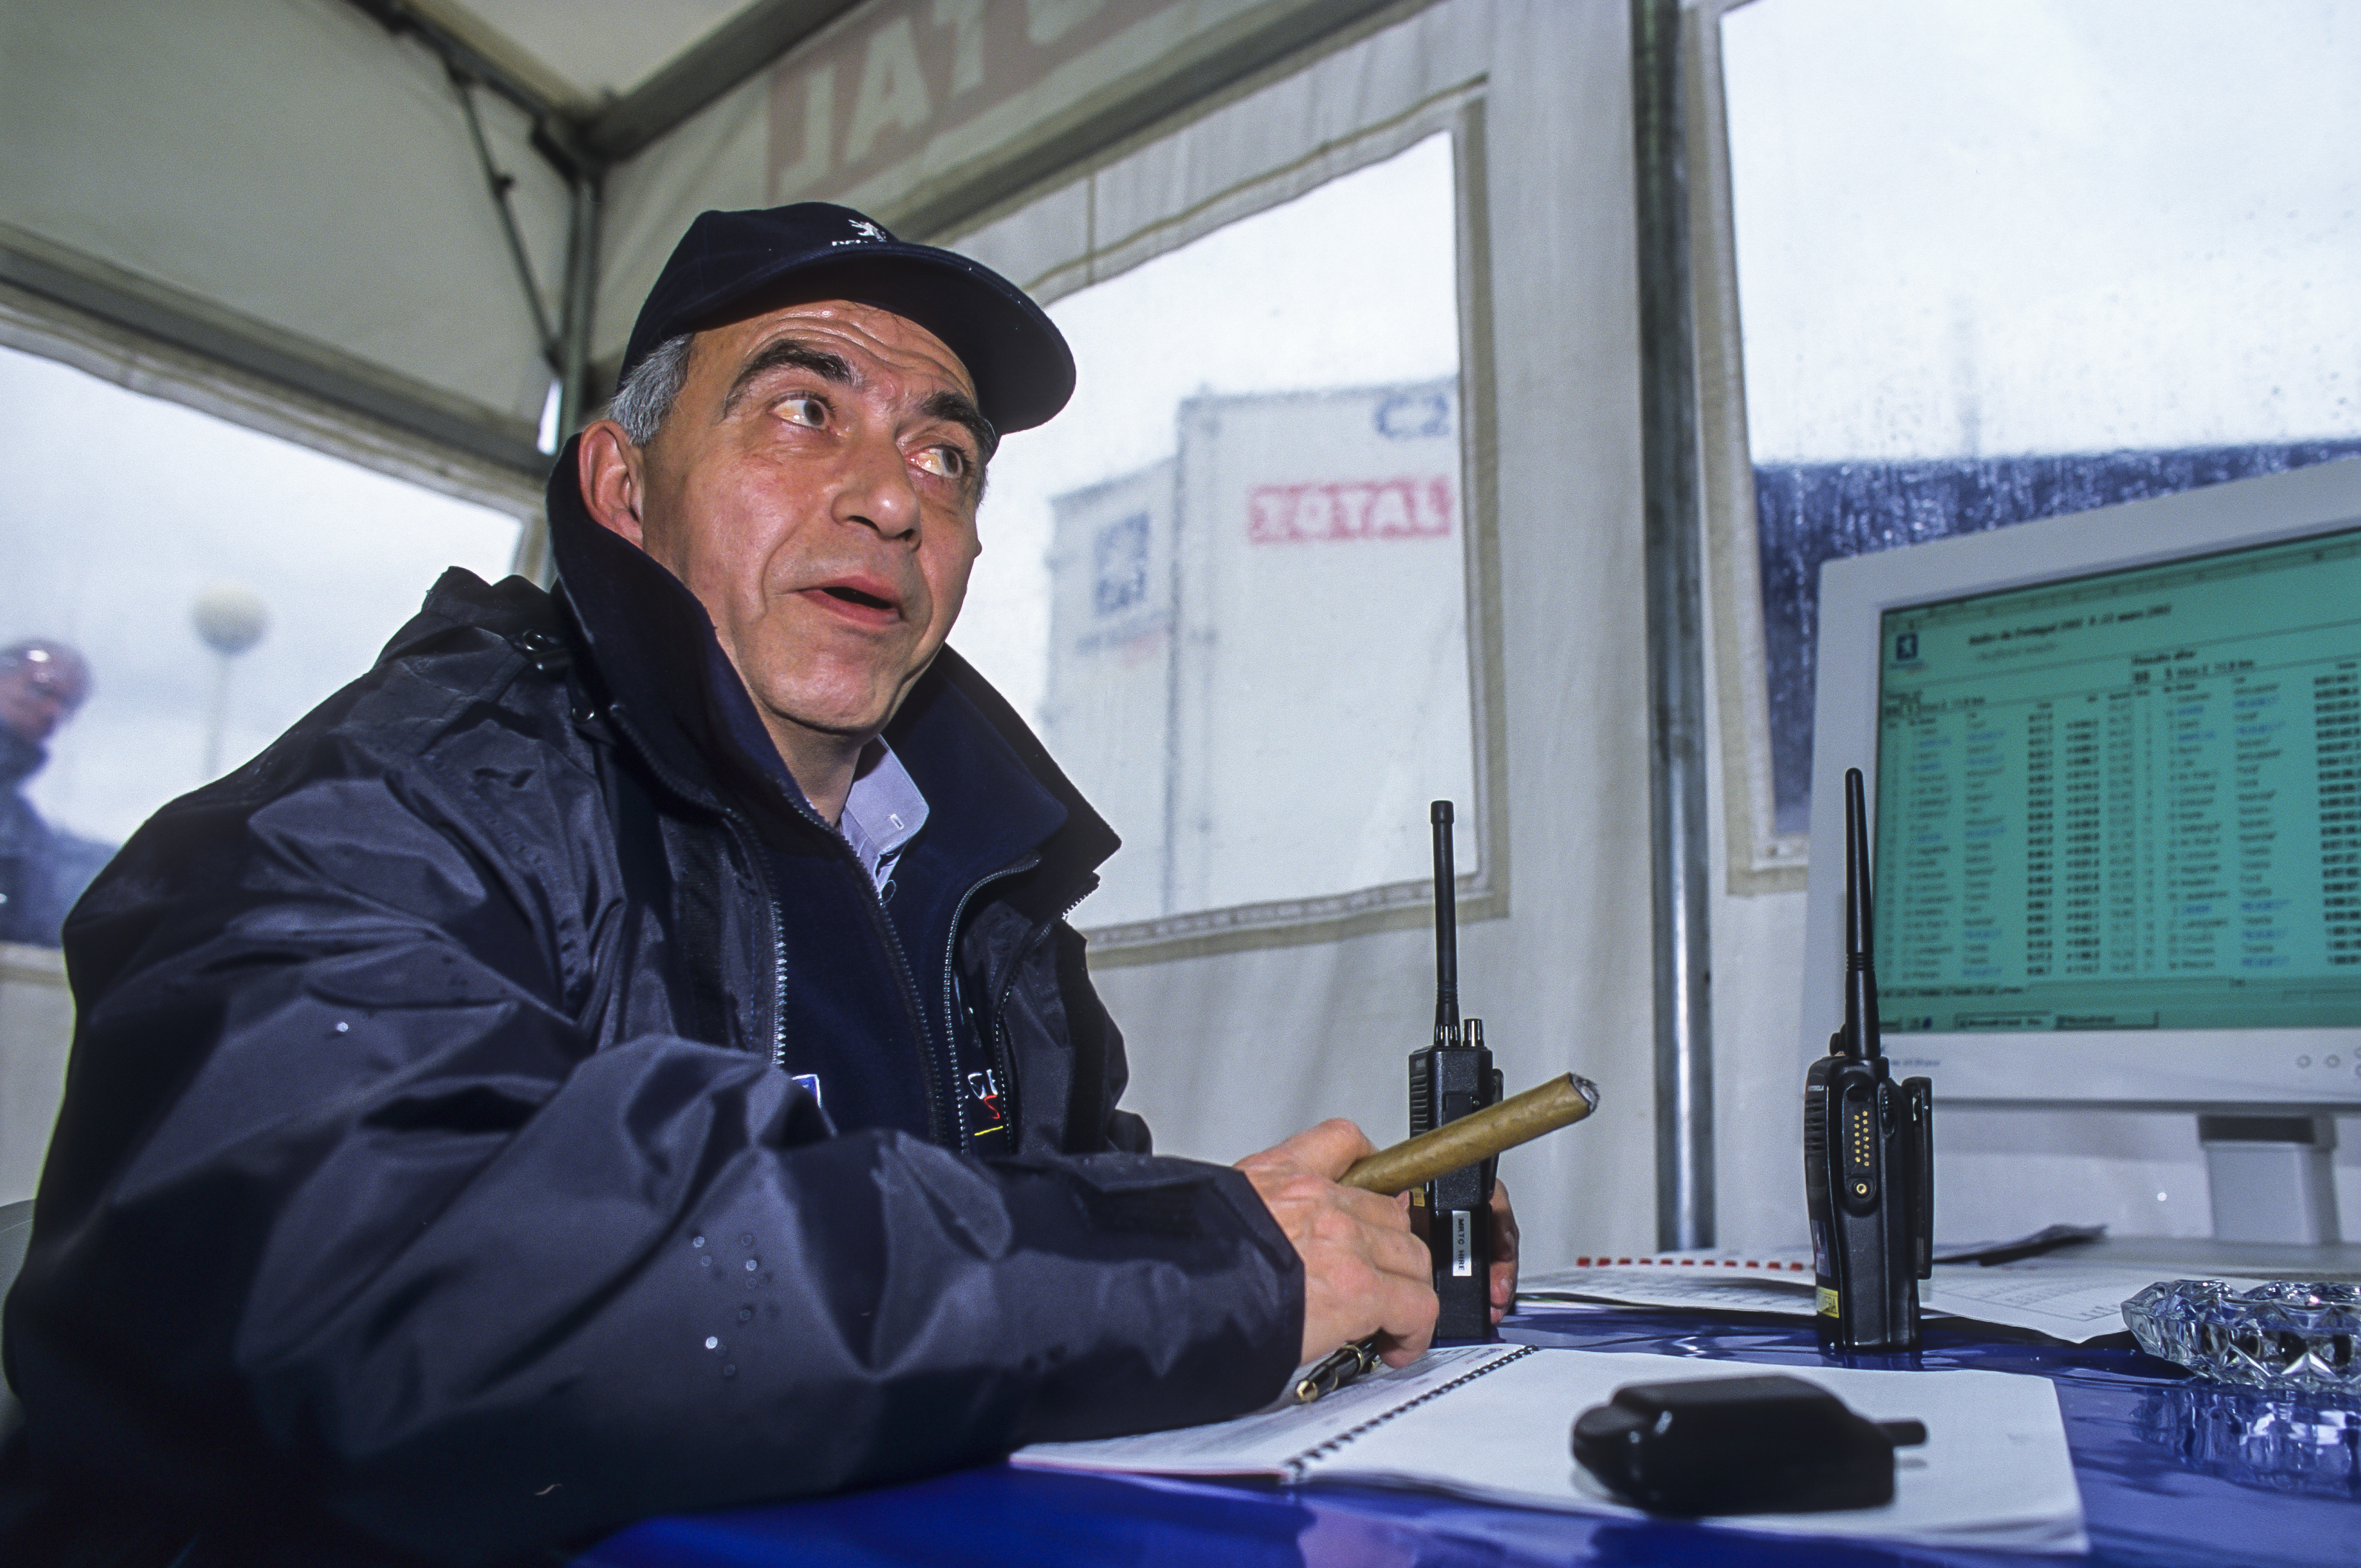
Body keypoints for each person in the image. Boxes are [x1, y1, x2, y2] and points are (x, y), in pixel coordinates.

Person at [0, 204, 1514, 1566]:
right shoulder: (387, 804)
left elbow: (1030, 1224)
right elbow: (362, 1286)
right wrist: (1194, 1263)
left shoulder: (980, 880)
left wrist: (1314, 1239)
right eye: (804, 409)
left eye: (943, 455)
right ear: (620, 484)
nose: (890, 499)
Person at [0, 640, 109, 948]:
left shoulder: (27, 833)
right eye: (41, 689)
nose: (53, 711)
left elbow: (36, 932)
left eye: (67, 704)